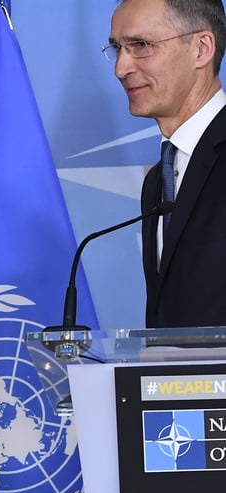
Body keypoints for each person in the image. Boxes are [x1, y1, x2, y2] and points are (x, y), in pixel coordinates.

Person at [107, 0, 226, 327]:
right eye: (117, 48)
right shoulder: (159, 180)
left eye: (141, 45)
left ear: (201, 49)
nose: (120, 68)